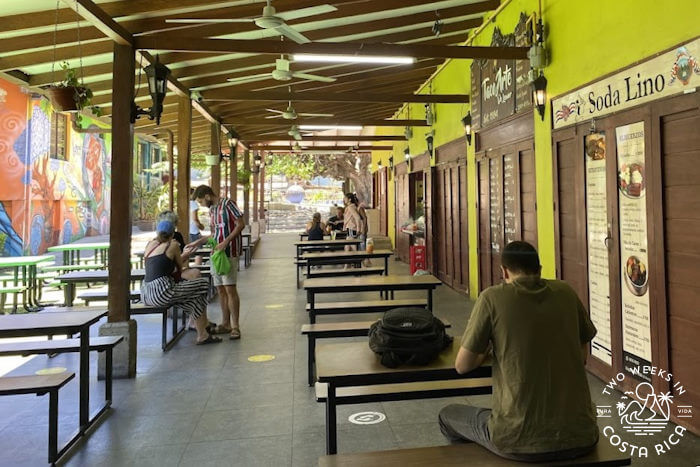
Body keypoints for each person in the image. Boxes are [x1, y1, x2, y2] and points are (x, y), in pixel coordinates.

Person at [438, 241, 599, 462]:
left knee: (448, 416)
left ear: (503, 271)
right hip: (581, 435)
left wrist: (488, 348)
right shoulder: (566, 292)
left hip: (517, 439)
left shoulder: (492, 298)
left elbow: (462, 365)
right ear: (540, 269)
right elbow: (581, 356)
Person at [141, 219, 221, 345]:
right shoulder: (172, 245)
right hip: (162, 292)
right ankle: (199, 325)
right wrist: (186, 254)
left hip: (146, 292)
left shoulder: (150, 245)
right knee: (203, 284)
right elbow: (179, 268)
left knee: (194, 297)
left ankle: (202, 333)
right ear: (173, 234)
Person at [191, 185, 245, 340]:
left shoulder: (228, 204)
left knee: (230, 288)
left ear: (207, 196)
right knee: (220, 289)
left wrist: (227, 241)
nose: (200, 204)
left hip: (229, 252)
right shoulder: (212, 210)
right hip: (216, 253)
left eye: (201, 200)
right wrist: (198, 242)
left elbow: (240, 224)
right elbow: (214, 233)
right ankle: (225, 323)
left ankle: (235, 326)